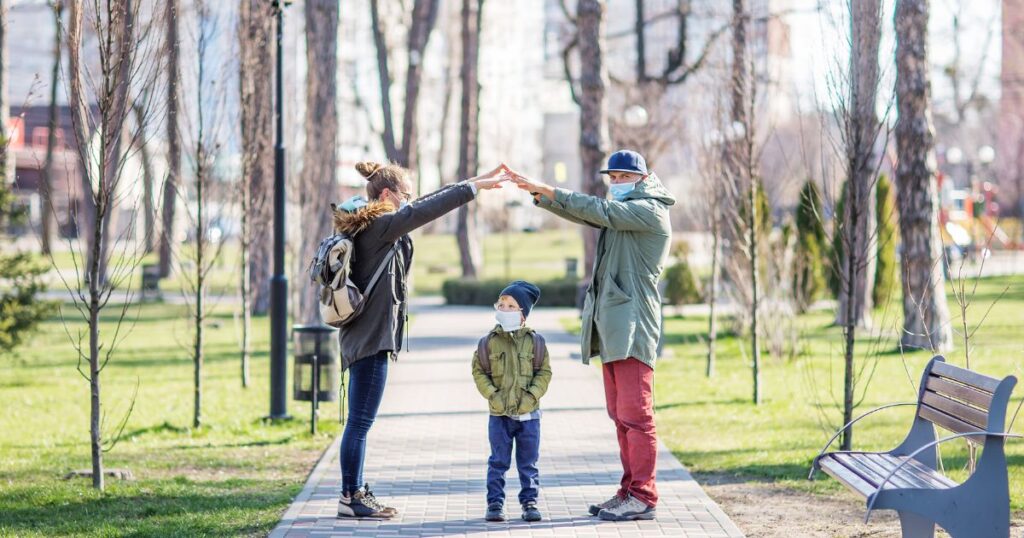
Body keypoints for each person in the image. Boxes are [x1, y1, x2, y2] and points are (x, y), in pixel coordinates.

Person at [507, 150, 675, 521]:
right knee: (619, 415)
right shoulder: (627, 211)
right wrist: (541, 196)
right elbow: (589, 213)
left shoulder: (649, 211)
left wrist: (550, 188)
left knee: (636, 415)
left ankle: (643, 495)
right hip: (613, 324)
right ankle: (629, 490)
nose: (614, 184)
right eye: (611, 178)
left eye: (621, 178)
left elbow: (602, 212)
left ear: (642, 178)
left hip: (632, 325)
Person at [333, 160, 508, 519]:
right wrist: (472, 190)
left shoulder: (374, 224)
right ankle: (351, 496)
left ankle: (353, 492)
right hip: (369, 341)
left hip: (364, 337)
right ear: (386, 195)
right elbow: (427, 209)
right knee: (360, 422)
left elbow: (425, 202)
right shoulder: (381, 225)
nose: (409, 202)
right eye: (405, 196)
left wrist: (474, 181)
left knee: (359, 420)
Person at [471, 281, 552, 523]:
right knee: (498, 461)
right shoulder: (488, 342)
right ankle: (495, 503)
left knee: (528, 464)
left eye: (511, 306)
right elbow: (479, 372)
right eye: (501, 304)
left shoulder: (536, 343)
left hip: (529, 416)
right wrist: (493, 396)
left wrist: (531, 397)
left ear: (522, 314)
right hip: (499, 415)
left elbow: (544, 373)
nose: (504, 309)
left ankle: (530, 502)